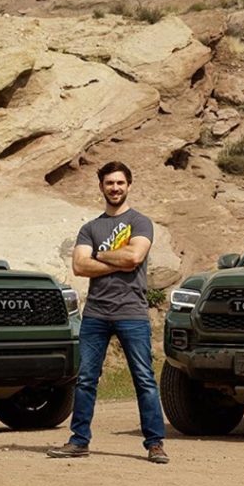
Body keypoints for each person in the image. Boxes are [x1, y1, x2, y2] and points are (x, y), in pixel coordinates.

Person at [47, 161, 168, 464]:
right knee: (86, 379)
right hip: (96, 313)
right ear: (100, 186)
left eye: (120, 183)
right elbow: (79, 265)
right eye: (109, 183)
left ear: (129, 185)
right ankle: (79, 441)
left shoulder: (141, 222)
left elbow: (136, 256)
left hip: (132, 311)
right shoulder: (90, 228)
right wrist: (117, 258)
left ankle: (155, 443)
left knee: (143, 379)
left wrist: (98, 254)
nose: (115, 188)